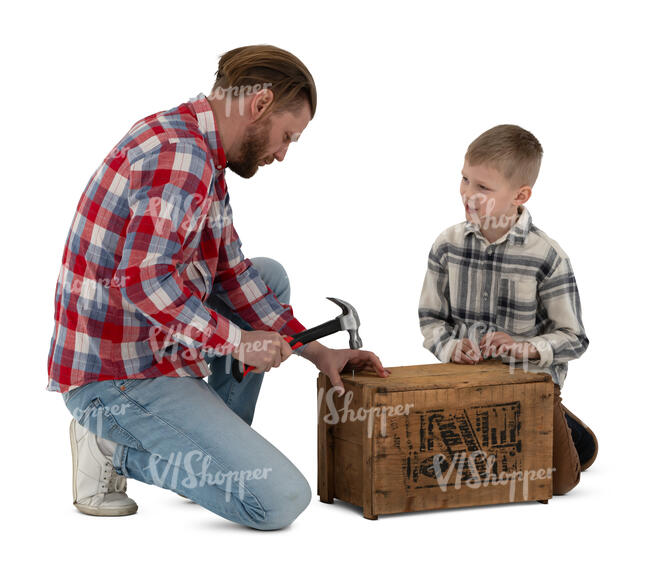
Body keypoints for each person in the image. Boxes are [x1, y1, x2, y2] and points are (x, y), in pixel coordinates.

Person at [47, 44, 390, 530]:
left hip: (150, 348)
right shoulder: (180, 158)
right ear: (259, 105)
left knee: (267, 276)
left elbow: (233, 273)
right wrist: (239, 342)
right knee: (278, 500)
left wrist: (317, 351)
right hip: (116, 379)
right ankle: (111, 446)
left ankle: (211, 456)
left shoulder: (200, 149)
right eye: (287, 137)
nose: (282, 154)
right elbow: (146, 283)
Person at [418, 124, 597, 495]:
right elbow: (431, 318)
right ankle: (551, 424)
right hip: (466, 382)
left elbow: (574, 338)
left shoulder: (547, 257)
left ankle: (562, 424)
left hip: (525, 383)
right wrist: (450, 347)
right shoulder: (446, 245)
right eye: (465, 180)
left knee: (556, 484)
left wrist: (525, 347)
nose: (468, 194)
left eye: (483, 187)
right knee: (441, 467)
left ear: (521, 194)